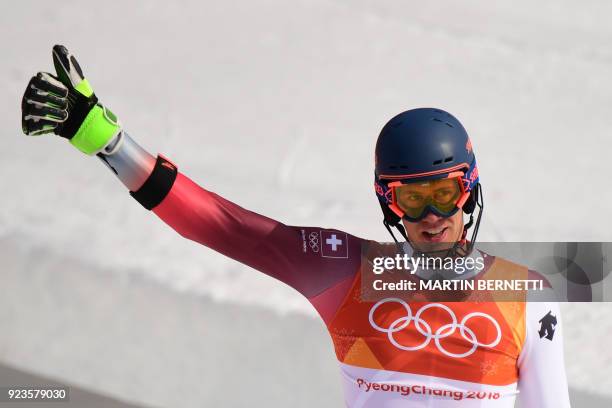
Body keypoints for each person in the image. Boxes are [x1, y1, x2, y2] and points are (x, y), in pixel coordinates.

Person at [20, 45, 570, 407]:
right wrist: (108, 142)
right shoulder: (347, 273)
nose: (431, 218)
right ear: (387, 202)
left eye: (443, 193)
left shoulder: (527, 298)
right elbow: (222, 226)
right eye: (411, 198)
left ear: (468, 190)